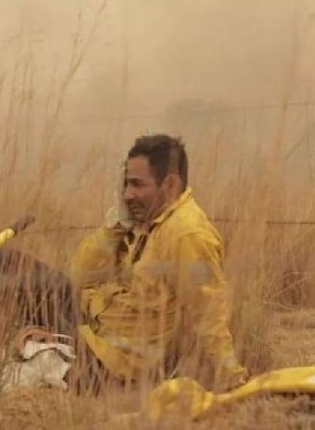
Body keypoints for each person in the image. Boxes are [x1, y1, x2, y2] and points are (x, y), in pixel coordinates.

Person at [67, 134, 248, 393]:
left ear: (170, 185)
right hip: (93, 332)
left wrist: (234, 380)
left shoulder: (187, 234)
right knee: (5, 266)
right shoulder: (143, 221)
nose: (128, 195)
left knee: (4, 269)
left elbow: (208, 316)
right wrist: (114, 227)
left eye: (137, 185)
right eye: (126, 185)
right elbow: (80, 276)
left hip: (117, 363)